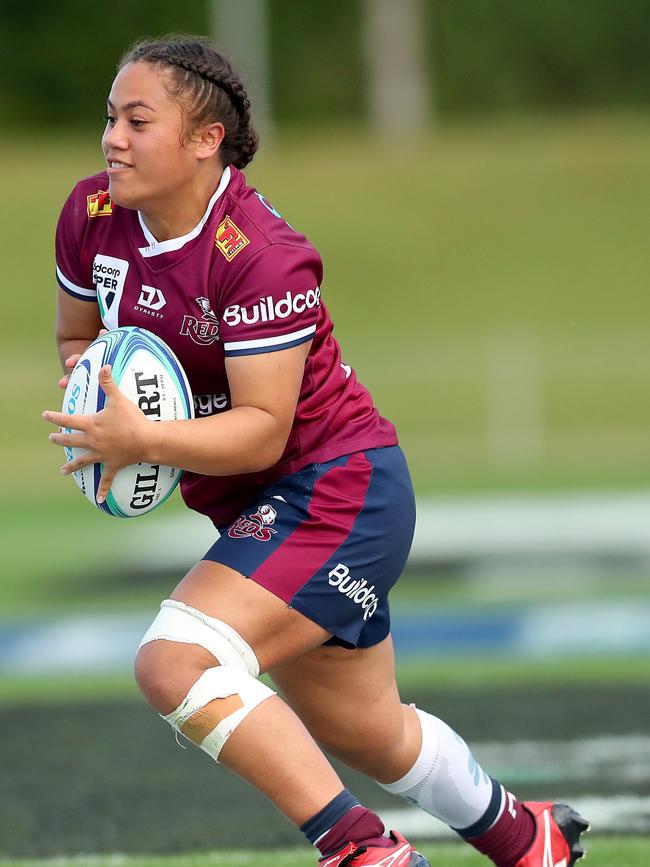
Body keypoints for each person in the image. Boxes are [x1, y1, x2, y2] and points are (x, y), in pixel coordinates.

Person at [44, 36, 589, 867]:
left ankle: (363, 850)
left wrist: (146, 437)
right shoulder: (90, 215)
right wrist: (100, 402)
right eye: (110, 117)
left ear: (205, 139)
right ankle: (530, 838)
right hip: (258, 506)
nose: (113, 137)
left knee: (175, 660)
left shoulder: (261, 255)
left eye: (137, 120)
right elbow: (77, 336)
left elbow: (265, 427)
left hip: (340, 489)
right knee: (369, 732)